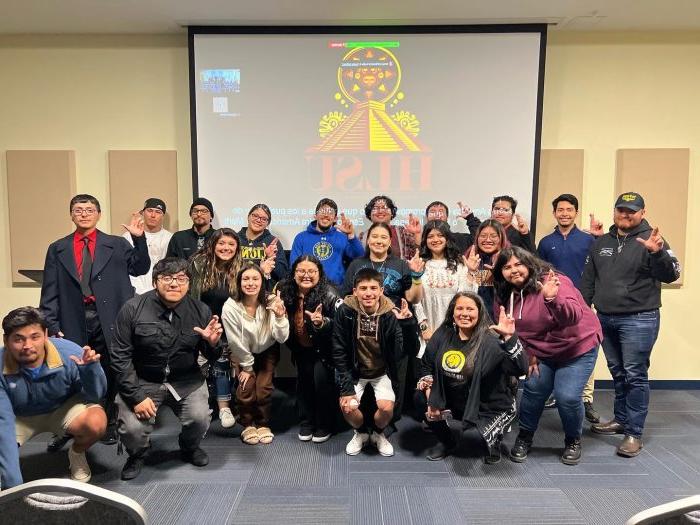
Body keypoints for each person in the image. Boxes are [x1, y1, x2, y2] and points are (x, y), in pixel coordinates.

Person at [40, 194, 150, 448]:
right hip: (73, 318)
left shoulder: (116, 244)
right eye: (78, 210)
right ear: (71, 215)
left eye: (90, 210)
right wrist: (51, 325)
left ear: (98, 214)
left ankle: (108, 421)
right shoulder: (58, 248)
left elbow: (141, 267)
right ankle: (72, 424)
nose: (84, 214)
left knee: (111, 368)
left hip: (110, 317)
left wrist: (138, 238)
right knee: (74, 371)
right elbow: (49, 291)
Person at [581, 192, 680, 457]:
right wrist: (583, 311)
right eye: (621, 210)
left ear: (642, 213)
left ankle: (634, 433)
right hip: (605, 317)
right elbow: (589, 279)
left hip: (639, 318)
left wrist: (658, 254)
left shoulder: (653, 240)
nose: (626, 215)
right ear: (614, 211)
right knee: (618, 372)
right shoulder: (602, 241)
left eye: (632, 211)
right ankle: (621, 419)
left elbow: (672, 274)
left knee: (635, 374)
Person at [111, 257, 224, 481]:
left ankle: (189, 447)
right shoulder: (132, 309)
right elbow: (120, 357)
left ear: (189, 283)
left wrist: (213, 344)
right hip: (143, 380)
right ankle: (138, 453)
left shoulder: (200, 310)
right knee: (132, 429)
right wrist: (136, 396)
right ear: (155, 282)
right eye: (167, 278)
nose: (174, 284)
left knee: (200, 417)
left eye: (181, 278)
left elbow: (213, 356)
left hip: (186, 380)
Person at [492, 247, 602, 465]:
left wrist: (552, 299)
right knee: (534, 390)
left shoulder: (553, 281)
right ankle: (525, 436)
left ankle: (573, 439)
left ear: (529, 263)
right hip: (541, 351)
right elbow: (510, 329)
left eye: (518, 264)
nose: (513, 270)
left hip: (576, 347)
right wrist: (528, 353)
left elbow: (572, 316)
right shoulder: (504, 294)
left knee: (567, 397)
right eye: (506, 267)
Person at [0, 307, 107, 488]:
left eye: (35, 337)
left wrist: (90, 371)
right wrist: (14, 487)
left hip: (62, 408)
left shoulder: (69, 352)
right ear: (6, 340)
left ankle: (77, 453)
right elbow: (3, 422)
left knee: (96, 422)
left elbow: (95, 396)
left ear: (46, 335)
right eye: (18, 339)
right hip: (19, 416)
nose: (28, 345)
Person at [417, 293, 527, 462]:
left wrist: (509, 338)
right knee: (419, 398)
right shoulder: (443, 333)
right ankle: (447, 442)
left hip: (490, 405)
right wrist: (432, 397)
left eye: (470, 309)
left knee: (472, 442)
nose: (464, 313)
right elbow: (426, 364)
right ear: (453, 312)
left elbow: (520, 369)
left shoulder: (491, 339)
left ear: (480, 312)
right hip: (457, 399)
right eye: (459, 308)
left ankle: (495, 440)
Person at [342, 222, 425, 426]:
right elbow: (347, 296)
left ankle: (389, 421)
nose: (379, 241)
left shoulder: (401, 264)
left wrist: (415, 277)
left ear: (390, 242)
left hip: (395, 325)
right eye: (375, 236)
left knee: (396, 373)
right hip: (363, 329)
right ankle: (365, 421)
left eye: (384, 237)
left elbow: (413, 299)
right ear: (368, 240)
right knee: (367, 373)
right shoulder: (356, 264)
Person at [537, 194, 600, 423]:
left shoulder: (588, 240)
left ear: (576, 213)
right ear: (554, 213)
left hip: (582, 303)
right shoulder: (545, 242)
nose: (564, 213)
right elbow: (539, 273)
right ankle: (556, 392)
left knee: (585, 346)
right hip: (553, 305)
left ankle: (586, 398)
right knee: (554, 344)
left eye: (569, 209)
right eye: (560, 209)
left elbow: (596, 271)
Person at [333, 268, 404, 457]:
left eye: (373, 288)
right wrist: (347, 388)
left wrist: (403, 325)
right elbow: (339, 350)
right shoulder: (345, 311)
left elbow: (398, 353)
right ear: (355, 291)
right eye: (363, 288)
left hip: (382, 372)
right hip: (355, 372)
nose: (368, 293)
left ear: (381, 290)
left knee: (386, 407)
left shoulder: (390, 313)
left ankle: (379, 434)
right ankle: (362, 433)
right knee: (348, 407)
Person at [221, 263, 289, 445]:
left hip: (268, 350)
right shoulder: (230, 306)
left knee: (263, 388)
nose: (250, 283)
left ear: (262, 281)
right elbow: (235, 341)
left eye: (255, 278)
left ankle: (262, 423)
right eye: (246, 279)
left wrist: (281, 317)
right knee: (246, 387)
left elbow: (282, 338)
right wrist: (247, 366)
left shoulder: (272, 301)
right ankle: (248, 423)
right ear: (239, 282)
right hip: (242, 351)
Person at [277, 255, 342, 443]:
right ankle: (307, 422)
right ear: (294, 273)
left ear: (319, 273)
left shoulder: (329, 293)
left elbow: (342, 323)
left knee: (322, 385)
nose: (306, 275)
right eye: (301, 271)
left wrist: (323, 323)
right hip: (300, 348)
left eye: (311, 271)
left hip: (324, 349)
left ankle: (324, 424)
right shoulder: (286, 291)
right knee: (304, 385)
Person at [189, 228, 242, 429]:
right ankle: (204, 405)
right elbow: (192, 298)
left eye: (231, 244)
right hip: (203, 325)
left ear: (237, 248)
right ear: (213, 245)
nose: (226, 248)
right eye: (221, 243)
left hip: (231, 327)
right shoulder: (198, 264)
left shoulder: (242, 267)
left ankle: (225, 407)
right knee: (203, 368)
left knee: (223, 365)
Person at [415, 220, 478, 356]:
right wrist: (424, 328)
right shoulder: (419, 265)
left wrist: (471, 272)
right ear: (425, 240)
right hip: (428, 333)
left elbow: (467, 297)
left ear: (447, 238)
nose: (435, 239)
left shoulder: (460, 265)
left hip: (456, 333)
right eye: (430, 236)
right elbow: (416, 301)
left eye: (440, 235)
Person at [290, 198, 364, 286]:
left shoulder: (342, 237)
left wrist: (351, 235)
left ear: (335, 218)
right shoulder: (301, 237)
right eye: (322, 211)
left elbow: (359, 257)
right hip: (308, 287)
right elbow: (294, 265)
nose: (326, 215)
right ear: (315, 215)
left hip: (335, 289)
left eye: (330, 212)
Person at [123, 197, 173, 295]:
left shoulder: (170, 238)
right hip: (134, 290)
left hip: (161, 290)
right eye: (149, 211)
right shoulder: (128, 236)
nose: (153, 215)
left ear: (163, 216)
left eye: (158, 212)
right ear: (143, 213)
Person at [464, 219, 509, 320]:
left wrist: (499, 274)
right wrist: (470, 271)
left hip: (500, 320)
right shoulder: (469, 257)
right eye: (483, 236)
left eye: (493, 236)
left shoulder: (510, 259)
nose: (488, 240)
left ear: (502, 238)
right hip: (472, 318)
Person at [358, 195, 421, 260]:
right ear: (369, 214)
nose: (380, 211)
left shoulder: (403, 232)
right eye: (375, 208)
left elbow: (416, 256)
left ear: (392, 213)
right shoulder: (363, 236)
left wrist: (417, 235)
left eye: (384, 207)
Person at [238, 203, 289, 285]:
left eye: (263, 219)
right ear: (248, 217)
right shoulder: (235, 239)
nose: (258, 220)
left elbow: (283, 275)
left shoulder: (273, 242)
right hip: (237, 289)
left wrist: (271, 258)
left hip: (265, 291)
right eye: (255, 216)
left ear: (267, 223)